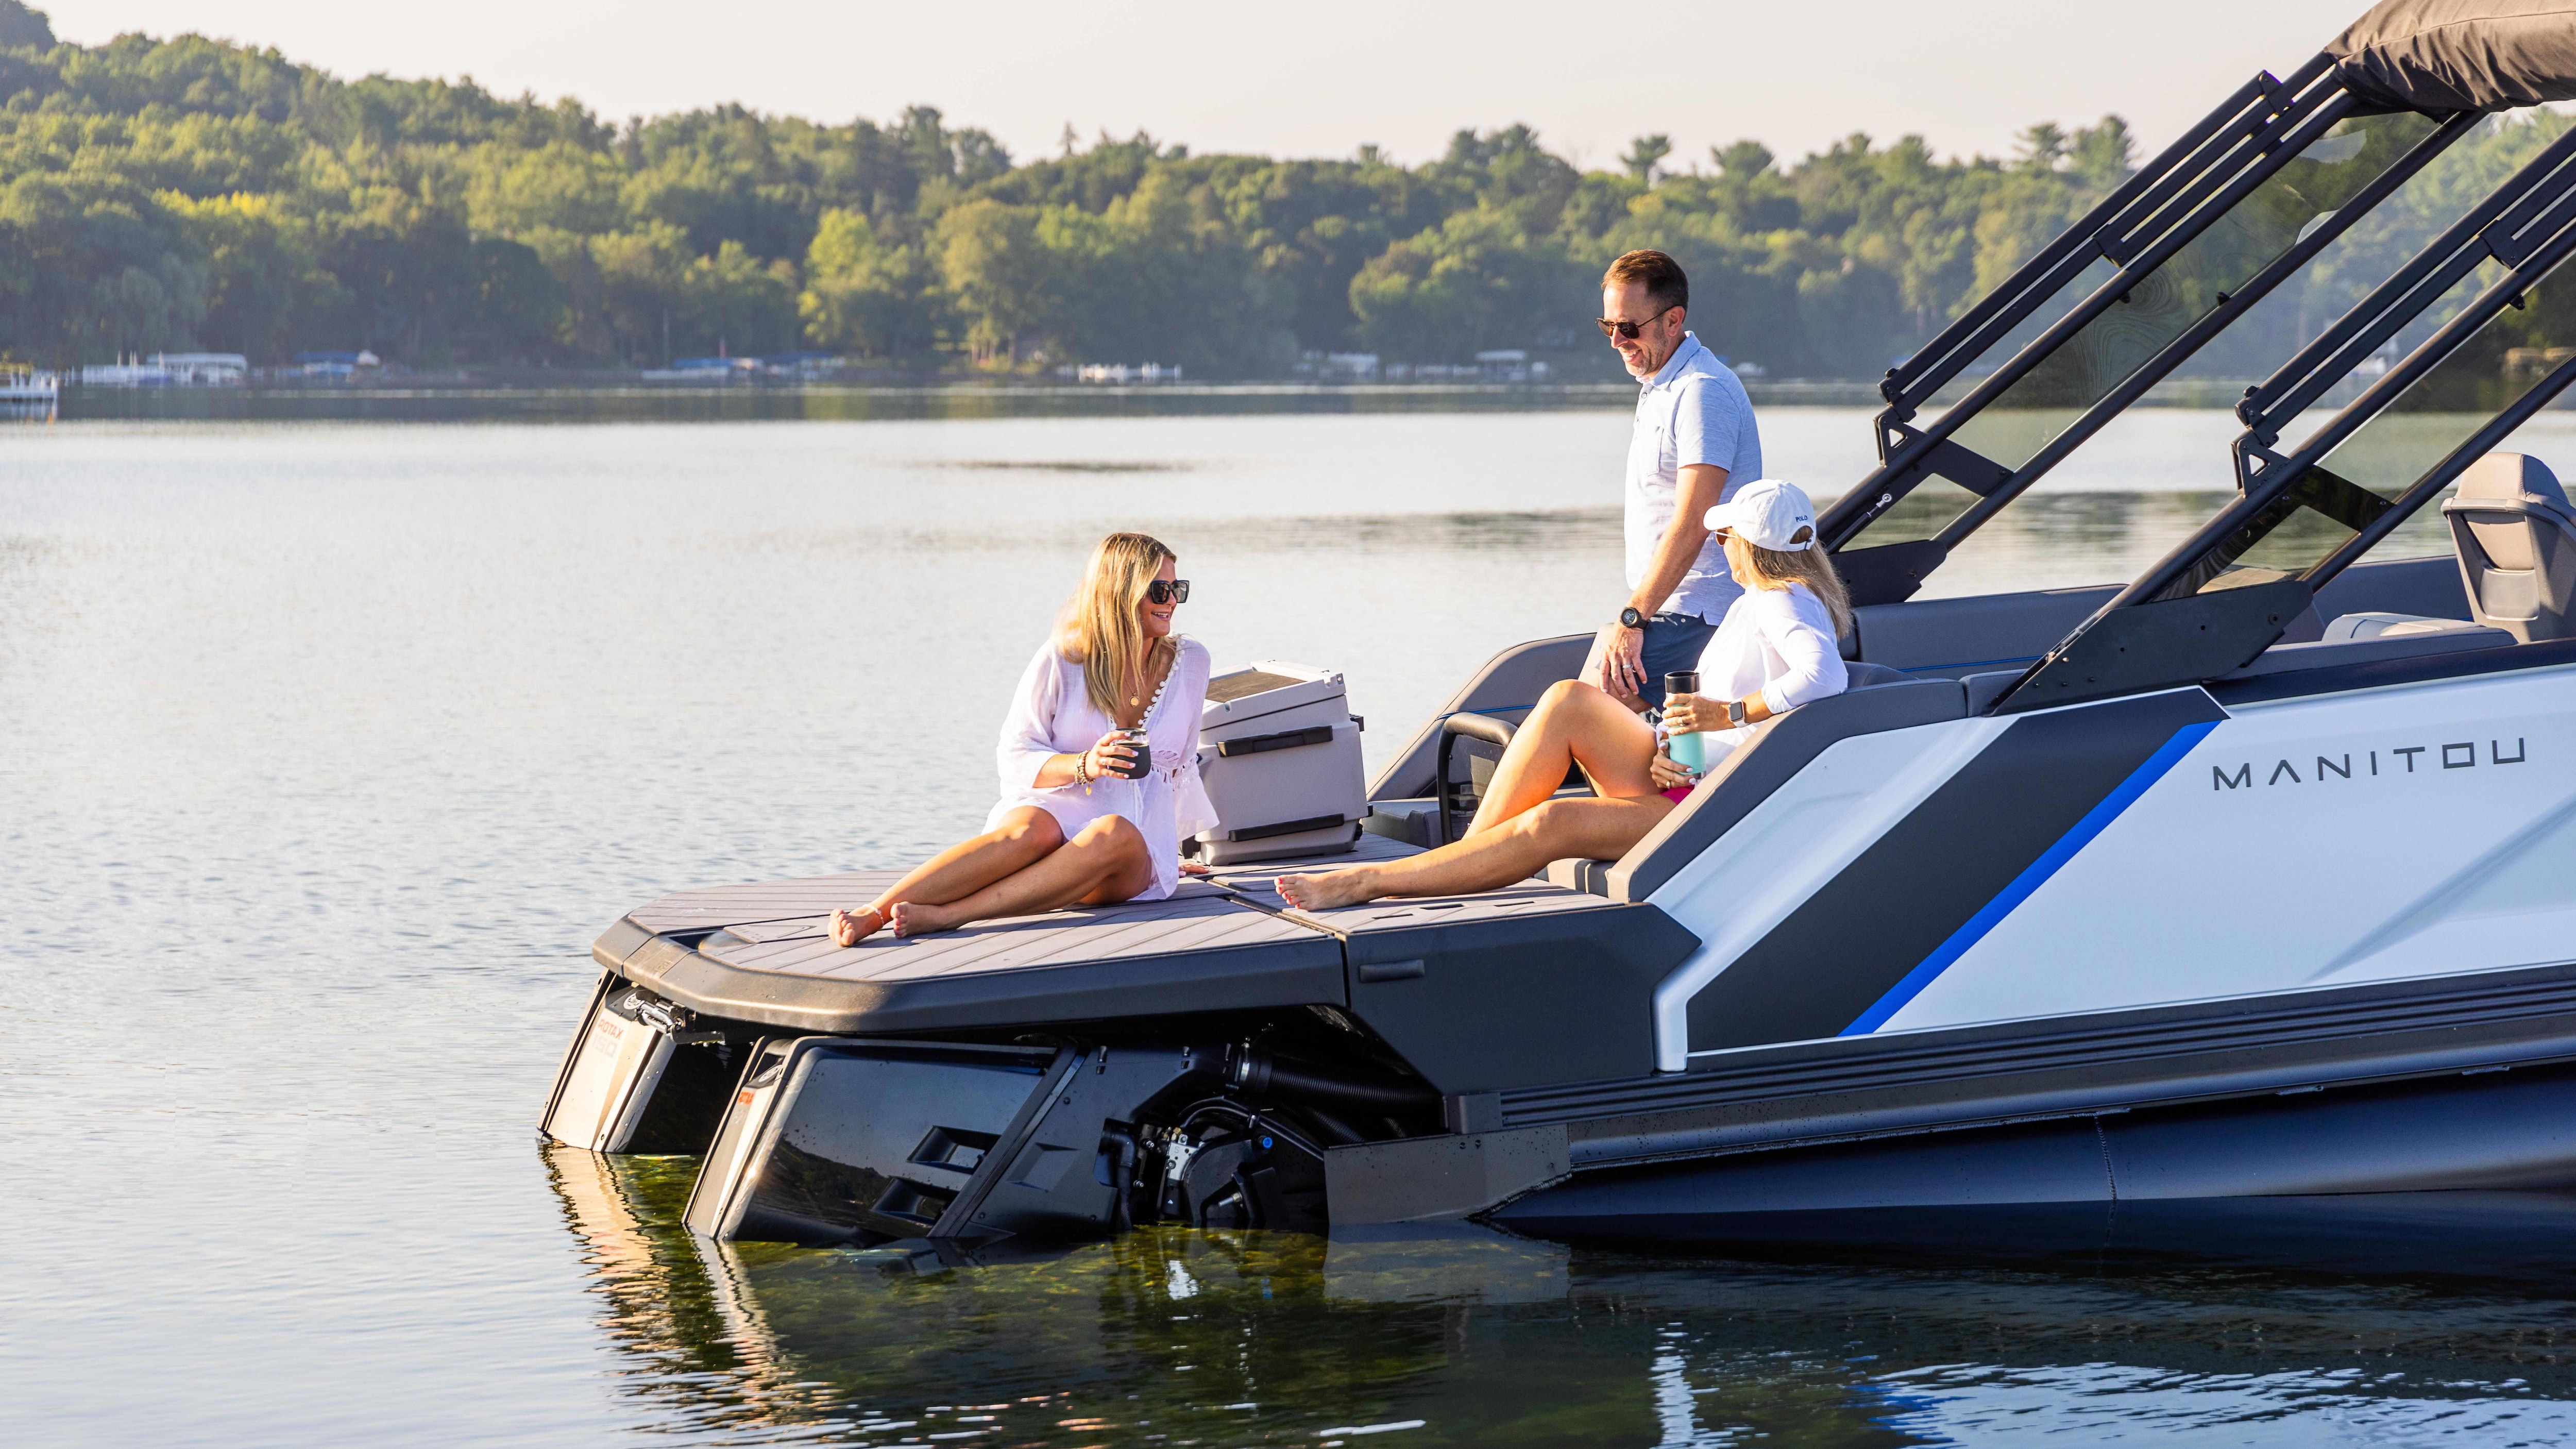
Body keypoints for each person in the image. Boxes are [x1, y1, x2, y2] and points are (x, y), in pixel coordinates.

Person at [1277, 479, 1845, 911]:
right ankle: (1460, 862)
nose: (1719, 544)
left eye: (1724, 535)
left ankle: (1372, 880)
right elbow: (1755, 714)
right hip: (1692, 777)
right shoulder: (1776, 597)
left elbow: (1824, 678)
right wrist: (1672, 733)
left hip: (1709, 805)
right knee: (1567, 699)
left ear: (1744, 543)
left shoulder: (1781, 598)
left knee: (1549, 822)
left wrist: (1720, 713)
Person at [829, 533, 1215, 942]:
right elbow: (1014, 756)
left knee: (1112, 832)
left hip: (1127, 848)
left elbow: (1179, 767)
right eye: (1160, 589)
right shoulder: (1062, 660)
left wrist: (1172, 851)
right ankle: (873, 913)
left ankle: (951, 915)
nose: (1172, 600)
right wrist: (1087, 764)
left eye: (1178, 589)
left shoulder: (1191, 663)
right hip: (1055, 810)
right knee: (1029, 831)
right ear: (1120, 592)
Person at [1590, 248, 1766, 711]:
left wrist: (1632, 619)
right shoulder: (1662, 385)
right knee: (1583, 719)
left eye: (1628, 328)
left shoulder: (1701, 393)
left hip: (1698, 614)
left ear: (1673, 321)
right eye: (1608, 326)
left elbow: (1693, 524)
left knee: (1581, 717)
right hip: (1668, 609)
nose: (1616, 341)